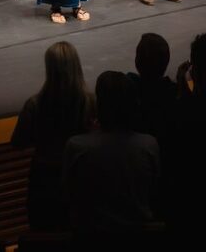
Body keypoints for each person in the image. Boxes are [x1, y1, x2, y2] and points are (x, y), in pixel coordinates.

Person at [62, 71, 160, 240]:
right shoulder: (148, 145)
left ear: (99, 106)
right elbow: (155, 191)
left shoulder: (77, 146)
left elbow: (66, 194)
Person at [11, 41, 96, 232]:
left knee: (43, 231)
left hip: (45, 178)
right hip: (80, 174)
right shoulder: (90, 102)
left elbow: (17, 142)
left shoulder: (34, 104)